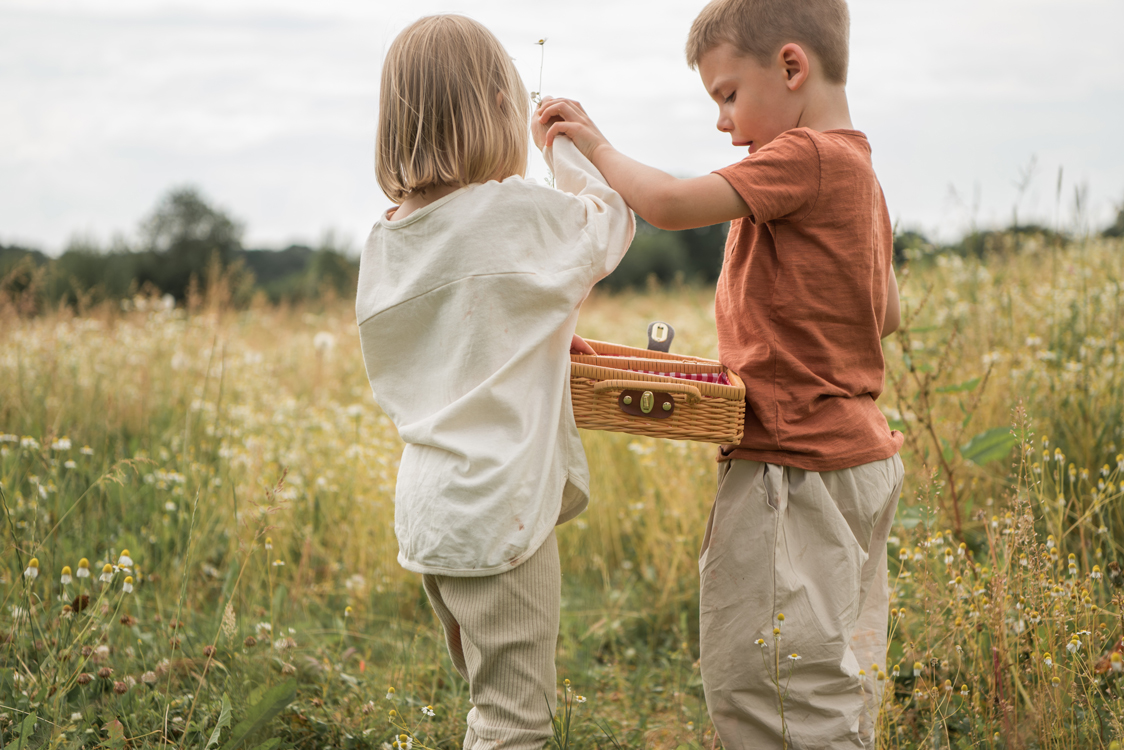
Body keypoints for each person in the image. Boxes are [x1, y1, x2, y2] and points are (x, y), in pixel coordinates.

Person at [536, 0, 905, 746]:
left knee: (769, 682)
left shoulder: (804, 156)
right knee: (832, 671)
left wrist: (595, 146)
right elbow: (886, 311)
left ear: (792, 68)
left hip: (792, 468)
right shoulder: (861, 173)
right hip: (859, 463)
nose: (721, 121)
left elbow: (670, 204)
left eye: (727, 94)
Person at [357, 14, 634, 750]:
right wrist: (565, 149)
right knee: (514, 723)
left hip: (431, 508)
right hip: (496, 512)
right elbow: (608, 221)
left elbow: (471, 325)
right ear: (498, 108)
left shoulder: (388, 241)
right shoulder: (506, 216)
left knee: (488, 704)